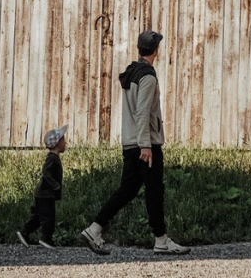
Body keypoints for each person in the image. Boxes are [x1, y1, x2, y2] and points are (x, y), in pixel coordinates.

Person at [81, 30, 190, 256]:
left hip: (131, 144)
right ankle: (161, 240)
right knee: (154, 191)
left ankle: (94, 229)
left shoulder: (132, 73)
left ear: (140, 49)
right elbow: (142, 113)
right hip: (145, 145)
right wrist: (146, 146)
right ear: (156, 51)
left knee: (128, 190)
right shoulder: (147, 76)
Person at [17, 125, 68, 249]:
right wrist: (55, 185)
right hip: (46, 194)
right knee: (48, 217)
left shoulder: (53, 158)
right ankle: (47, 239)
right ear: (57, 143)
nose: (65, 143)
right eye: (63, 140)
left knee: (39, 216)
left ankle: (25, 233)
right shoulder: (52, 158)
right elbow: (46, 172)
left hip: (43, 194)